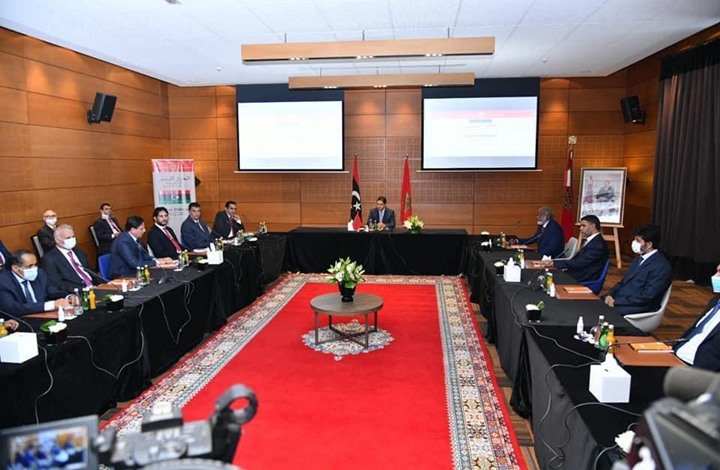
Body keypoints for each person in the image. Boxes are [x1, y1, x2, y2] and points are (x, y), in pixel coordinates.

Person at [603, 225, 672, 314]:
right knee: (594, 304)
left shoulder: (661, 266)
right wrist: (610, 295)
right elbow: (624, 282)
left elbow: (648, 296)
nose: (634, 243)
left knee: (604, 312)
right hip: (623, 300)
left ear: (649, 244)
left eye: (638, 241)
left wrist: (617, 302)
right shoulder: (638, 259)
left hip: (639, 306)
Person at [0, 249, 73, 317]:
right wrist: (50, 305)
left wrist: (68, 297)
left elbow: (52, 291)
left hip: (44, 315)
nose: (34, 269)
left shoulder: (40, 273)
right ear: (15, 268)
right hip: (20, 320)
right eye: (30, 266)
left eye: (35, 264)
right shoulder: (3, 281)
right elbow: (13, 308)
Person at [675, 263, 720, 371]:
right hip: (677, 356)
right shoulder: (715, 301)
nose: (715, 277)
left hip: (699, 372)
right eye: (717, 271)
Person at [540, 215, 608, 282]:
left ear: (593, 226)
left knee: (547, 277)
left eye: (583, 226)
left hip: (583, 277)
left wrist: (554, 263)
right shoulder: (593, 241)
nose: (580, 228)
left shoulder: (598, 245)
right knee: (545, 275)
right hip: (577, 273)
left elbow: (579, 263)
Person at [42, 224, 103, 292]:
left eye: (73, 236)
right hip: (77, 291)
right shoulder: (49, 259)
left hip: (95, 287)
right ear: (57, 240)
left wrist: (103, 284)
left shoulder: (78, 252)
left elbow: (90, 271)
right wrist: (84, 289)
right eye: (68, 238)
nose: (72, 239)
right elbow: (58, 284)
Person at [108, 216, 174, 278]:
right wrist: (157, 262)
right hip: (122, 274)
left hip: (135, 270)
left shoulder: (136, 238)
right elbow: (134, 264)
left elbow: (144, 256)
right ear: (133, 230)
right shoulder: (122, 242)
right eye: (141, 229)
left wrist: (158, 260)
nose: (144, 230)